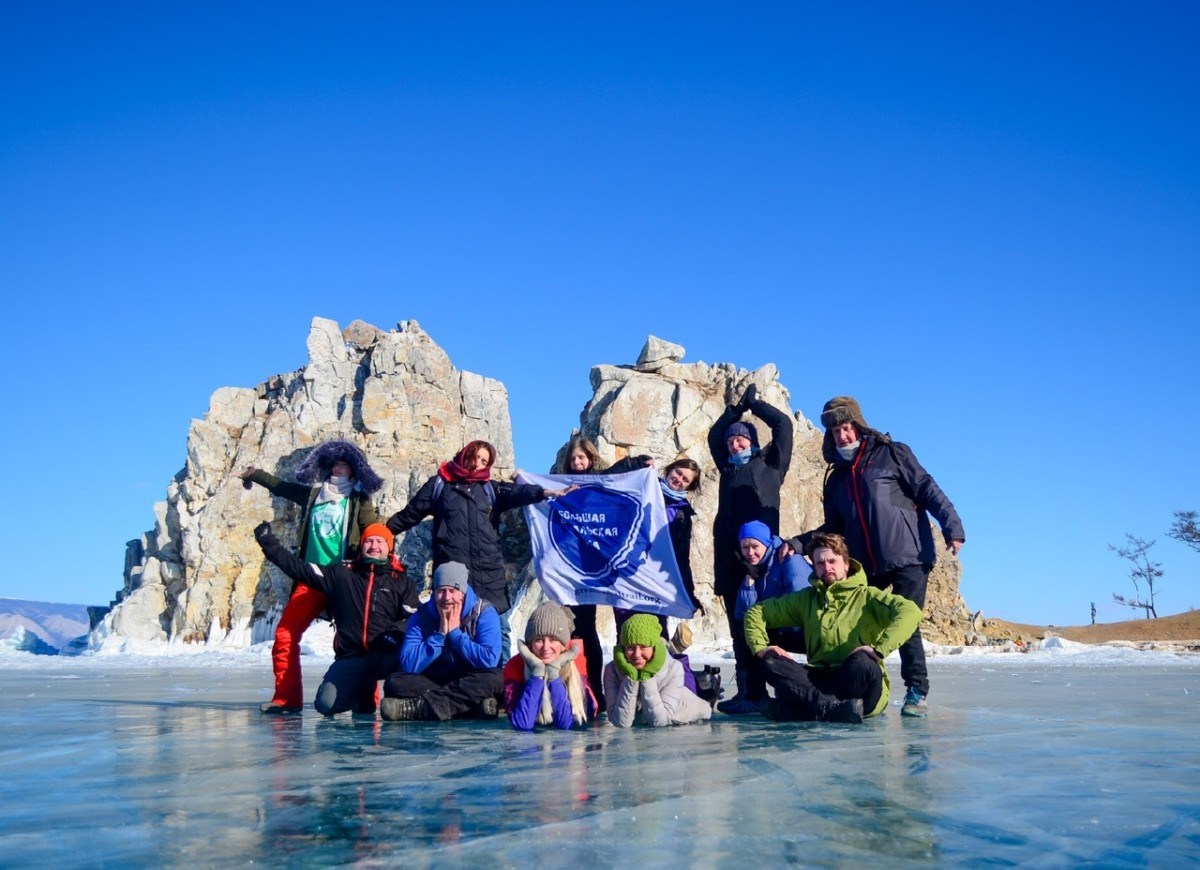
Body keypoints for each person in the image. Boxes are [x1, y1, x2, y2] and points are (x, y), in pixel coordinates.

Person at [799, 396, 965, 717]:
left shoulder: (892, 453)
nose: (842, 436)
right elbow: (834, 529)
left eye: (846, 428)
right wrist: (798, 543)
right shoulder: (836, 479)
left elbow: (928, 489)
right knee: (857, 623)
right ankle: (861, 687)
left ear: (857, 425)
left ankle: (916, 689)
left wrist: (952, 526)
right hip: (865, 562)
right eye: (836, 432)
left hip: (908, 555)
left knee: (905, 622)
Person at [385, 440, 573, 661]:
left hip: (489, 574)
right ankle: (454, 682)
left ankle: (500, 686)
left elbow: (518, 492)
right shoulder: (439, 485)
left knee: (499, 630)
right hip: (454, 578)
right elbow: (410, 515)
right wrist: (380, 534)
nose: (477, 464)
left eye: (484, 461)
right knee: (450, 629)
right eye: (474, 457)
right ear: (464, 455)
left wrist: (545, 492)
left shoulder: (490, 489)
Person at [239, 440, 384, 714]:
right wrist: (254, 474)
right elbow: (281, 488)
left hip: (344, 578)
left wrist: (380, 562)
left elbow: (373, 531)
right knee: (285, 634)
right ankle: (286, 699)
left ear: (355, 469)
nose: (339, 466)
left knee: (354, 641)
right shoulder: (313, 495)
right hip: (311, 577)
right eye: (336, 462)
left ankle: (365, 700)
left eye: (345, 462)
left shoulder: (359, 500)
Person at [744, 532, 921, 723]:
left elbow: (910, 611)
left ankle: (806, 710)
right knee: (771, 661)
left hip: (857, 684)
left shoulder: (868, 596)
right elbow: (756, 612)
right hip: (819, 681)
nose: (826, 567)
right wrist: (761, 648)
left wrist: (879, 650)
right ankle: (830, 709)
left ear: (846, 564)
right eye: (820, 563)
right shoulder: (806, 599)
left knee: (864, 663)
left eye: (832, 561)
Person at [253, 521, 419, 717]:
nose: (374, 546)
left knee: (407, 669)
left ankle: (401, 699)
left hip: (387, 656)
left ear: (389, 547)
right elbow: (299, 569)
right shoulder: (341, 574)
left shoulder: (401, 581)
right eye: (369, 541)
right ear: (362, 545)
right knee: (325, 705)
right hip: (352, 657)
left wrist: (395, 633)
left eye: (380, 542)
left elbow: (414, 618)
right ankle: (361, 690)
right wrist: (269, 544)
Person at [552, 434, 660, 708]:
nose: (578, 463)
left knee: (624, 622)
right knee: (581, 629)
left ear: (590, 458)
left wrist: (637, 461)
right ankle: (585, 689)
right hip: (577, 569)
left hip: (608, 563)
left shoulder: (601, 481)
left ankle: (620, 689)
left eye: (582, 457)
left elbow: (617, 473)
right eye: (573, 459)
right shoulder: (563, 487)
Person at [707, 384, 793, 712]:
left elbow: (783, 426)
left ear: (753, 442)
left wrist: (754, 406)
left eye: (741, 439)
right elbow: (714, 436)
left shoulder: (771, 465)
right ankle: (748, 692)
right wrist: (733, 411)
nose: (734, 444)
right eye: (731, 441)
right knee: (738, 627)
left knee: (765, 626)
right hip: (731, 559)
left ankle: (779, 689)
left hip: (763, 560)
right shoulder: (728, 468)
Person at [381, 562, 504, 721]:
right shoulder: (422, 616)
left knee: (495, 679)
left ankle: (419, 708)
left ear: (463, 592)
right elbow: (408, 664)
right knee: (394, 683)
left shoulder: (484, 612)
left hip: (470, 678)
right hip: (438, 679)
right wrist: (439, 636)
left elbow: (489, 660)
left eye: (452, 591)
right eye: (441, 591)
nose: (446, 598)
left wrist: (455, 635)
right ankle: (470, 707)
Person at [720, 520, 807, 714]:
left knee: (764, 637)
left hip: (805, 628)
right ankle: (754, 696)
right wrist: (749, 584)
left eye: (755, 546)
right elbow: (744, 614)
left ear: (766, 544)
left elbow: (801, 603)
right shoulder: (754, 568)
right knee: (748, 633)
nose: (750, 553)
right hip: (782, 625)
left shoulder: (788, 560)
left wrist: (776, 634)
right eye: (745, 547)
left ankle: (787, 693)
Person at [603, 614, 712, 727]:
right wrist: (631, 677)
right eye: (630, 647)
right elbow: (621, 722)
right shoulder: (611, 670)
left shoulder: (674, 668)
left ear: (654, 648)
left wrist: (646, 677)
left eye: (643, 647)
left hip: (686, 720)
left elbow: (659, 722)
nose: (637, 654)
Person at [503, 601, 598, 731]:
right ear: (530, 645)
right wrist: (537, 674)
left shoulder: (576, 661)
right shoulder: (514, 666)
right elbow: (522, 724)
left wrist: (553, 674)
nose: (546, 648)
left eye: (553, 640)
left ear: (563, 644)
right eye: (539, 640)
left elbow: (566, 724)